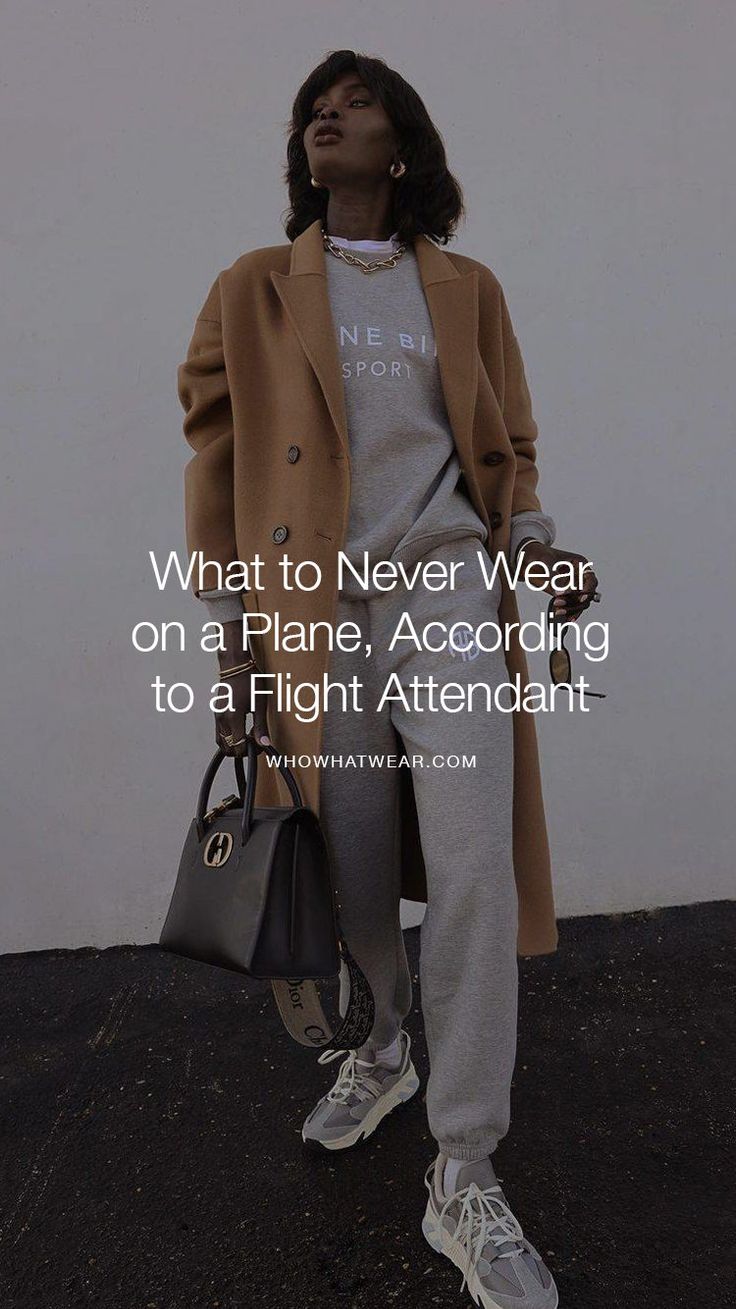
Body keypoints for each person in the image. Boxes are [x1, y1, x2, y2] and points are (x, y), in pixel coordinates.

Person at [177, 50, 599, 1309]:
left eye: (352, 104)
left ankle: (464, 1162)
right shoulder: (251, 289)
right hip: (313, 611)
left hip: (445, 590)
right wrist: (232, 632)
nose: (325, 116)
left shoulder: (466, 290)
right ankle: (384, 1041)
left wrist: (537, 551)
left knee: (470, 859)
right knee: (355, 858)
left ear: (400, 149)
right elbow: (216, 458)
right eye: (315, 106)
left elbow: (507, 444)